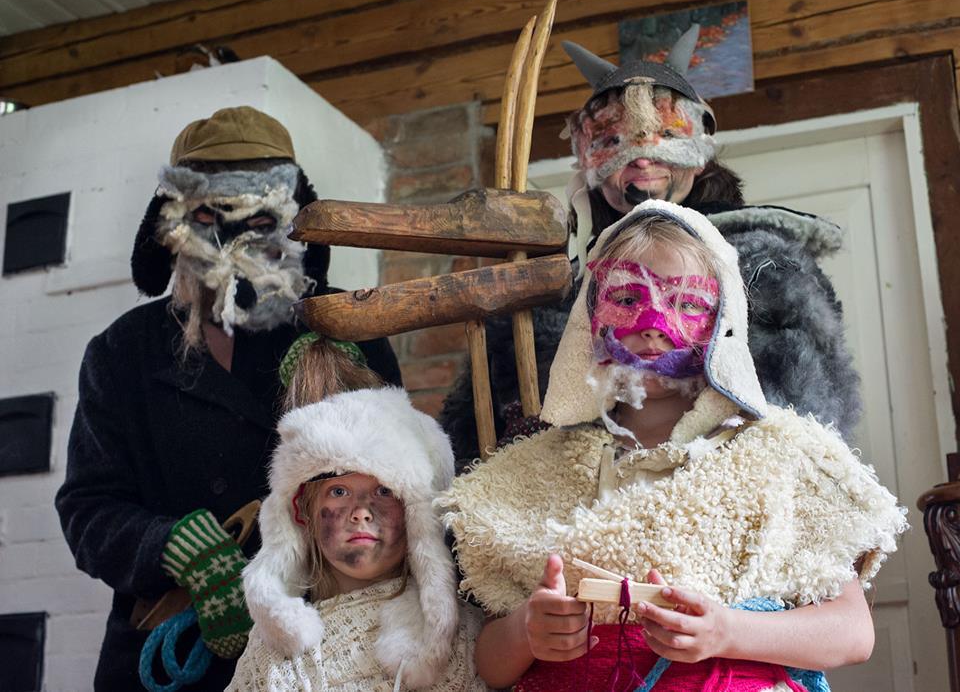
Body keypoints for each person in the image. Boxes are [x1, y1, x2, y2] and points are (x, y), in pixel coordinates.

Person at [439, 200, 907, 690]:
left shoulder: (778, 459)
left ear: (723, 322)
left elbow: (853, 634)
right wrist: (526, 632)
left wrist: (728, 632)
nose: (651, 323)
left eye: (686, 303)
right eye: (627, 298)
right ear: (591, 321)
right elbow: (486, 667)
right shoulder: (531, 475)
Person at [55, 106, 401, 691]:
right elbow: (88, 508)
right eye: (211, 215)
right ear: (174, 221)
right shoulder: (121, 353)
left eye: (260, 217)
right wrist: (176, 549)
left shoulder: (345, 326)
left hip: (324, 650)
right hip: (171, 659)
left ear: (291, 218)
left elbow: (402, 483)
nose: (234, 240)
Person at [440, 26, 859, 468]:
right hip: (577, 488)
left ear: (699, 153)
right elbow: (490, 412)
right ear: (587, 160)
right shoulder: (559, 280)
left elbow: (800, 407)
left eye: (666, 136)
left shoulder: (763, 266)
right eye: (611, 141)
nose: (640, 158)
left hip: (720, 482)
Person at [227, 339, 486, 691]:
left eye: (383, 491)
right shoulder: (273, 654)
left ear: (417, 512)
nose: (361, 513)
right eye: (338, 492)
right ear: (303, 513)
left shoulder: (463, 633)